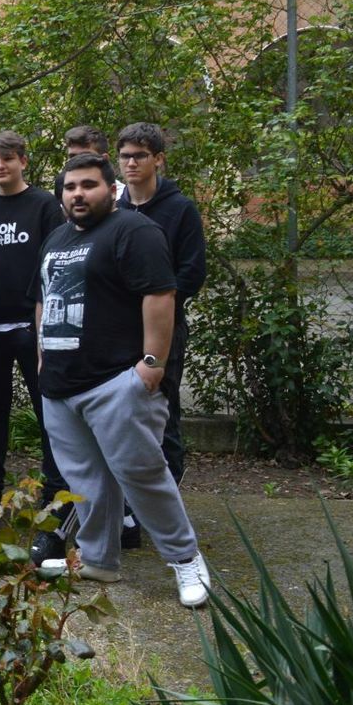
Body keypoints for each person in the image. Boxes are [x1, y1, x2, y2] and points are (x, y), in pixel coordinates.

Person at [35, 153, 211, 608]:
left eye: (88, 185)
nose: (78, 194)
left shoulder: (134, 231)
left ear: (110, 190)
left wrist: (152, 364)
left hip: (116, 380)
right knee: (86, 481)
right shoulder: (55, 238)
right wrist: (41, 356)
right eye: (70, 186)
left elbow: (160, 294)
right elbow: (42, 297)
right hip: (60, 386)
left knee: (143, 475)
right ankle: (99, 561)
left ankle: (186, 560)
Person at [0, 132, 66, 516]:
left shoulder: (43, 204)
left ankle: (55, 491)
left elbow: (53, 263)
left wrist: (39, 323)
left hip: (29, 328)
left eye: (7, 159)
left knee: (49, 413)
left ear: (23, 161)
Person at [115, 122, 204, 485]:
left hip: (164, 330)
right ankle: (130, 498)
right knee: (121, 412)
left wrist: (156, 304)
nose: (131, 163)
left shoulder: (180, 210)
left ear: (158, 159)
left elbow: (192, 272)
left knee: (161, 409)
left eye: (140, 156)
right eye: (125, 156)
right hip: (117, 331)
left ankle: (169, 492)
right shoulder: (113, 211)